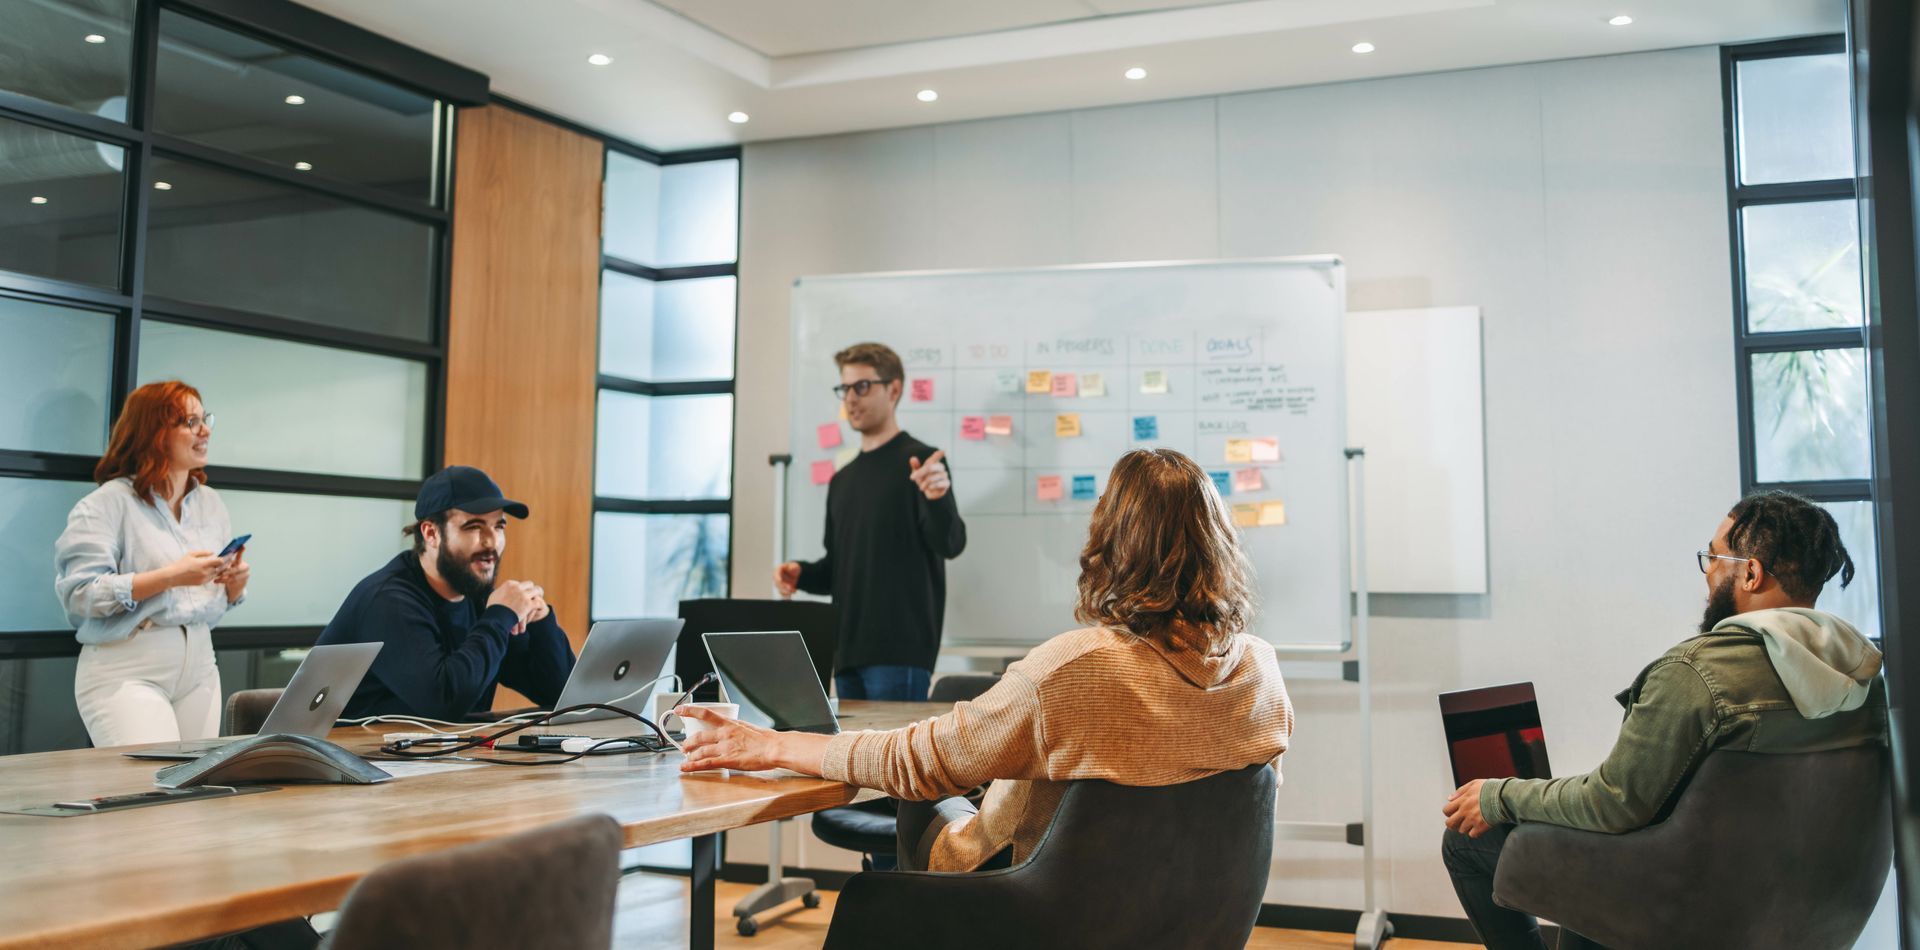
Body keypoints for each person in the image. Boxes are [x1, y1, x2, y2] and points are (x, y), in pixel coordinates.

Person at [693, 448, 1293, 873]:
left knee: (923, 792)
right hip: (1181, 913)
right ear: (1218, 542)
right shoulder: (1261, 672)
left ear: (1113, 544)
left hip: (1021, 905)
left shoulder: (1074, 669)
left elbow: (914, 762)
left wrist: (772, 744)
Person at [1440, 490, 1888, 950]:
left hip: (1680, 907)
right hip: (1791, 907)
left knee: (1468, 838)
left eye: (1713, 557)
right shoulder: (1864, 678)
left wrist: (1498, 794)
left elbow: (1613, 802)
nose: (1708, 572)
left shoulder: (1697, 671)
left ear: (1750, 573)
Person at [55, 381, 249, 747]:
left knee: (194, 789)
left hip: (200, 664)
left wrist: (232, 587)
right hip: (128, 668)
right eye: (190, 422)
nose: (205, 430)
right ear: (155, 433)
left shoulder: (210, 504)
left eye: (204, 418)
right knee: (151, 792)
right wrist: (171, 577)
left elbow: (205, 604)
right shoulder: (107, 504)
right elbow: (80, 595)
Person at [775, 342, 966, 702]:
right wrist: (801, 573)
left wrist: (938, 498)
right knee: (855, 758)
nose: (850, 398)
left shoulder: (921, 462)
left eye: (862, 386)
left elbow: (950, 543)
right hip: (845, 653)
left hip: (900, 654)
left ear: (894, 389)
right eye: (844, 388)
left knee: (897, 758)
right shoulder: (842, 480)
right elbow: (838, 570)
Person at [315, 465, 575, 722]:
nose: (491, 542)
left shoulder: (477, 598)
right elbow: (444, 703)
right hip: (344, 758)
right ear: (431, 533)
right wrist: (498, 617)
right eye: (474, 526)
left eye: (498, 527)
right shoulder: (389, 601)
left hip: (434, 757)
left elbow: (561, 695)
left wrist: (542, 623)